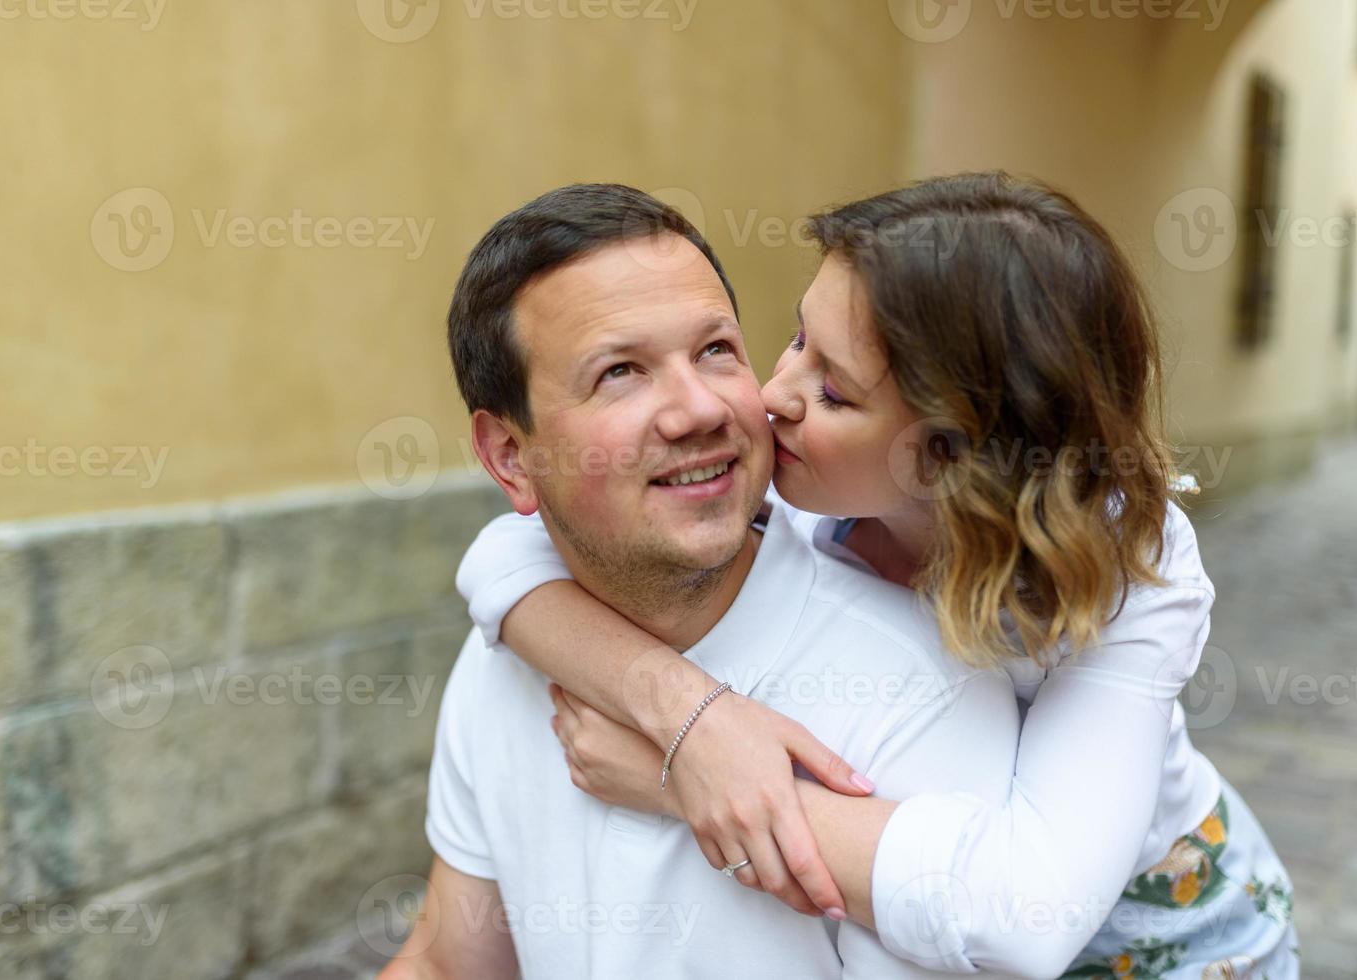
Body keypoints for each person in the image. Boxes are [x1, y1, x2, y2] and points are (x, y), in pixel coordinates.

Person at [454, 173, 1300, 977]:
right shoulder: (799, 478)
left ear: (949, 453)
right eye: (794, 339)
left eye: (835, 390)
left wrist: (686, 783)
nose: (770, 395)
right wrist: (687, 713)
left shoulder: (1126, 571)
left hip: (1171, 943)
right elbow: (505, 553)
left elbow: (1022, 916)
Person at [381, 182, 1024, 980]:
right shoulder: (510, 653)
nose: (699, 410)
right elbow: (449, 964)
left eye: (716, 350)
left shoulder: (928, 693)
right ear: (512, 457)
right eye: (620, 372)